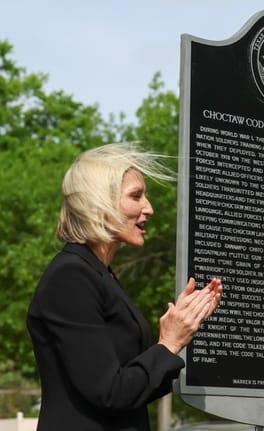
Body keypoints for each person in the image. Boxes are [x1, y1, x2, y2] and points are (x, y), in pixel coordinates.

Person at [26, 143, 223, 431]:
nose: (149, 208)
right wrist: (169, 343)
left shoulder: (99, 274)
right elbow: (110, 393)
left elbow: (133, 390)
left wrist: (179, 327)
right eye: (136, 196)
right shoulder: (70, 277)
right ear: (98, 202)